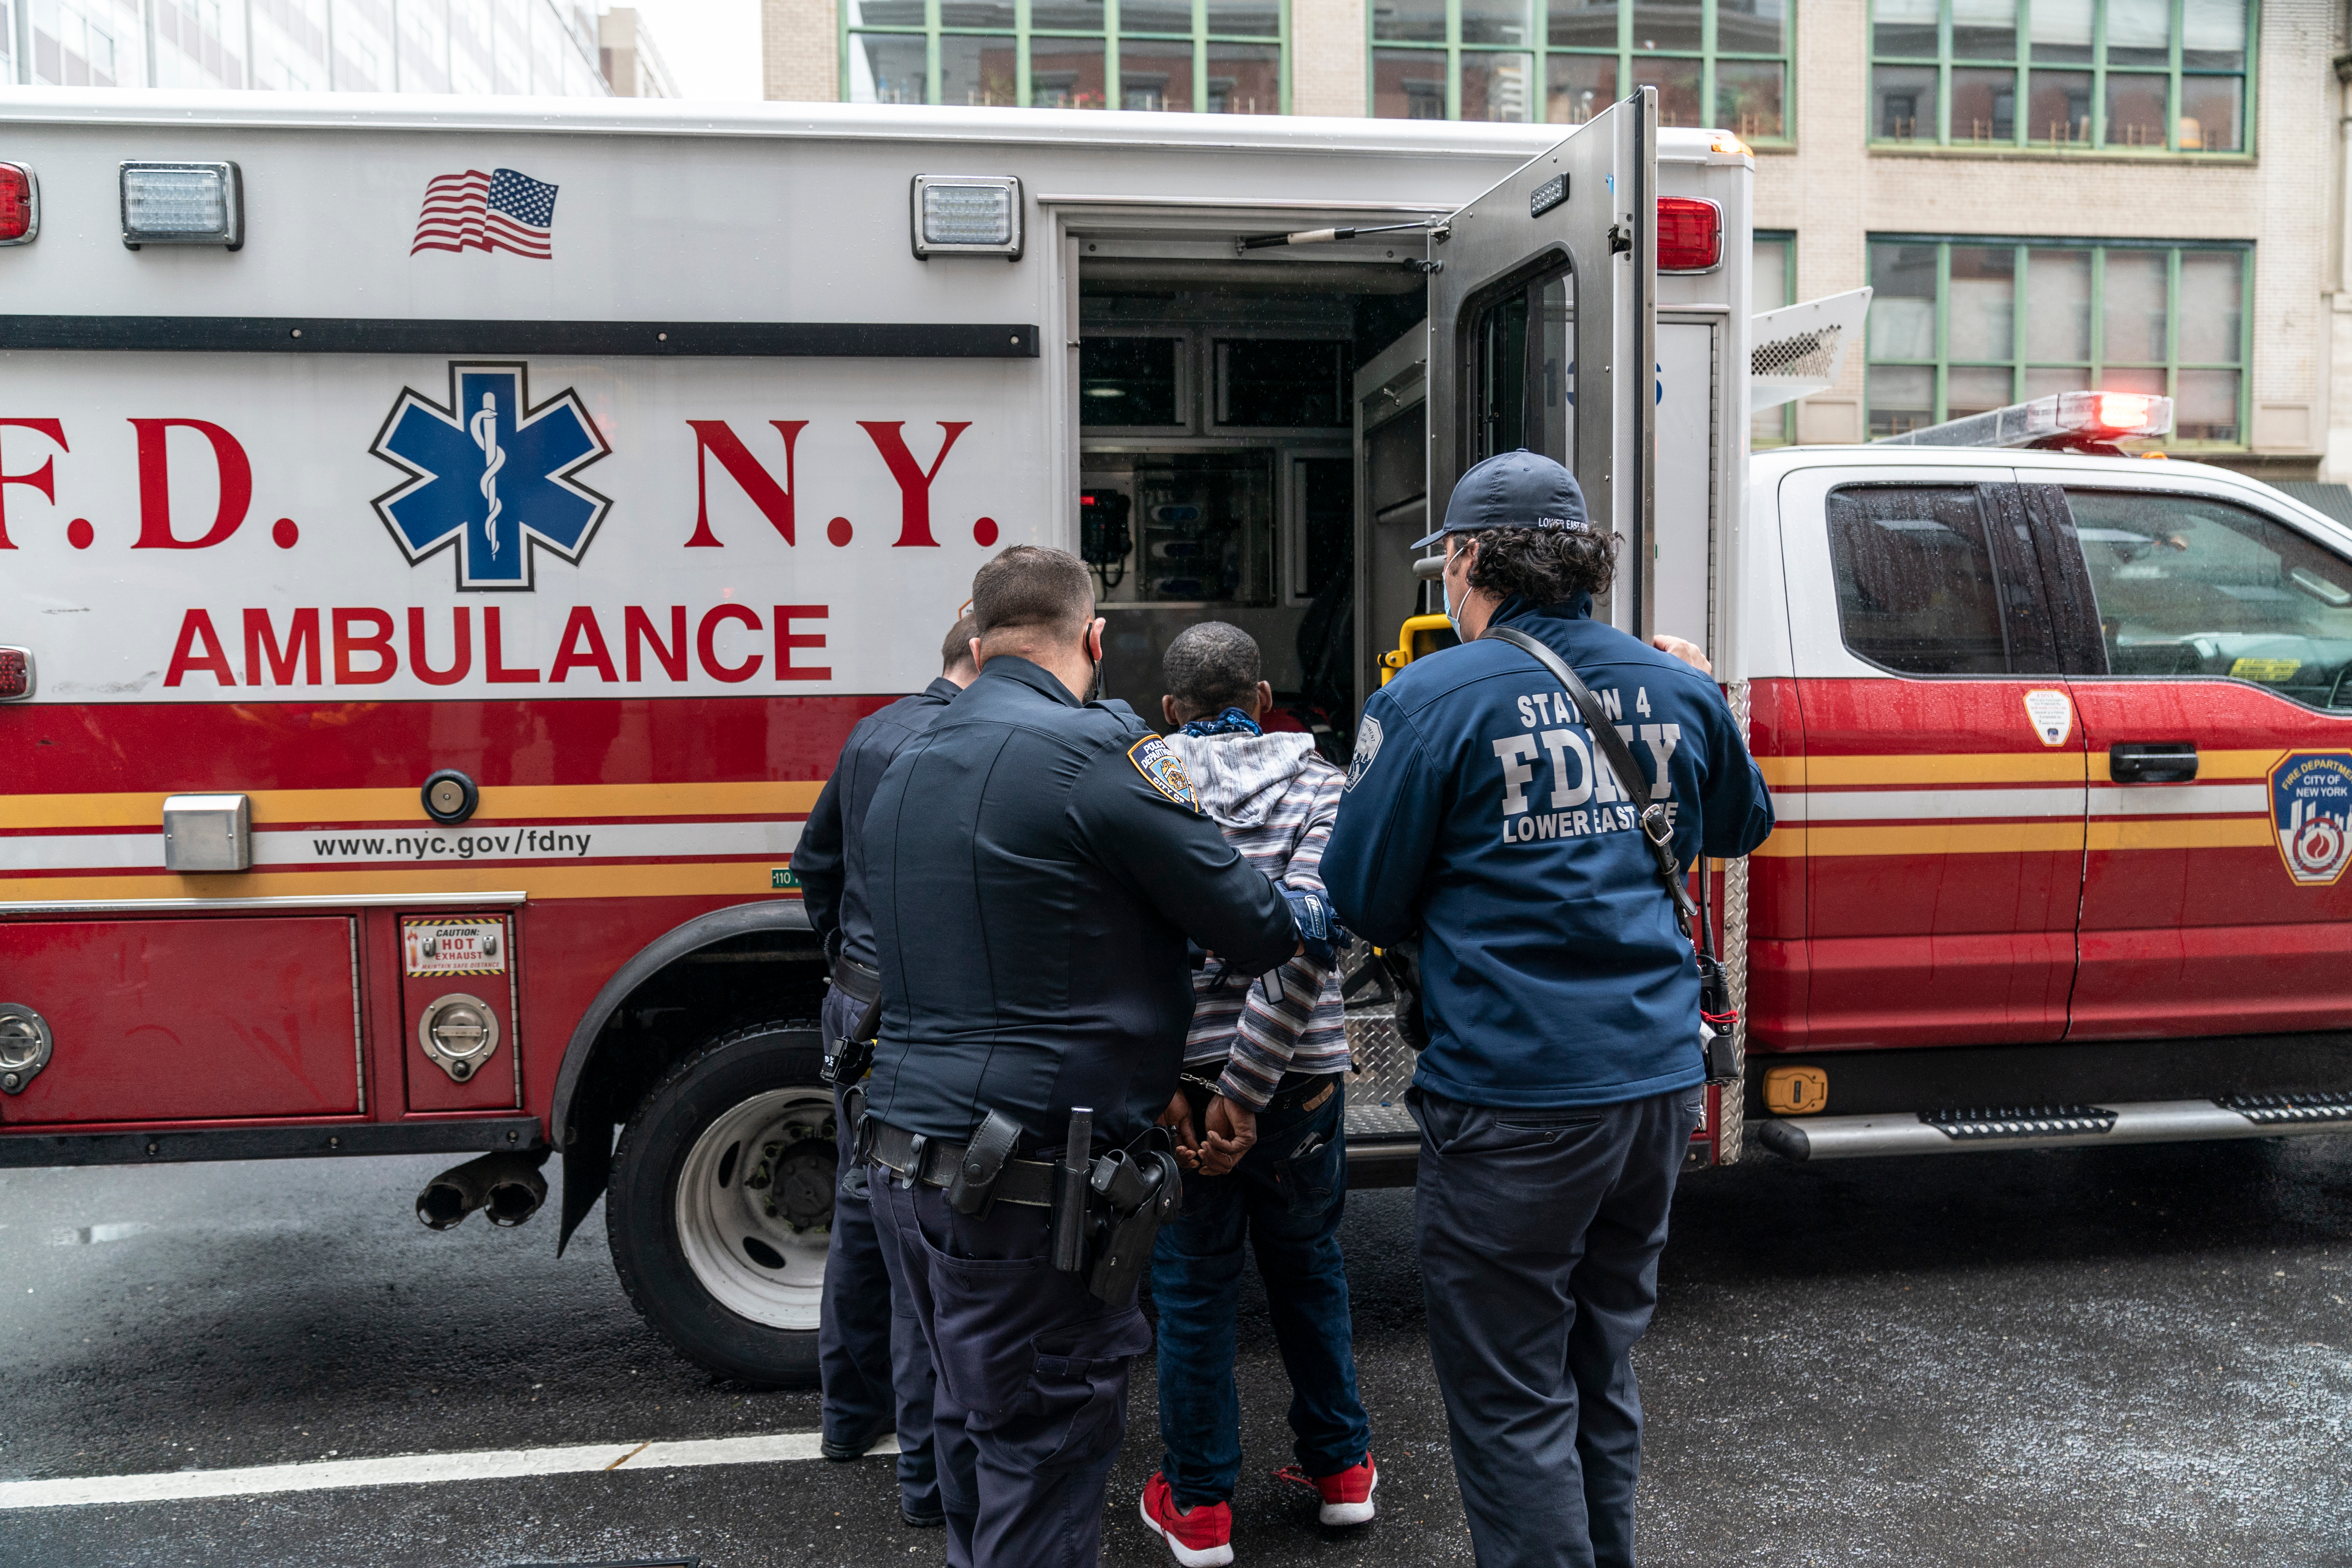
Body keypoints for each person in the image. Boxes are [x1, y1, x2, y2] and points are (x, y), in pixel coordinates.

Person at [1320, 450, 1775, 1568]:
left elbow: (1363, 893)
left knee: (1512, 1394)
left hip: (1515, 1096)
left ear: (1470, 561)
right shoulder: (1674, 685)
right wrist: (1700, 690)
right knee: (1598, 1370)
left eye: (1450, 566)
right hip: (1657, 1087)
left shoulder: (1428, 698)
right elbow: (1739, 825)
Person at [856, 545, 1324, 1568]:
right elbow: (1255, 924)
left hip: (904, 1167)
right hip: (1024, 1189)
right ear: (1097, 642)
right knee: (1042, 1457)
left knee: (976, 1439)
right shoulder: (1095, 760)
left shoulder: (899, 764)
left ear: (975, 646)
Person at [1135, 622, 1376, 1568]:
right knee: (1309, 1266)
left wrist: (1193, 1091)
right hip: (1301, 1078)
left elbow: (1128, 957)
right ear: (1267, 694)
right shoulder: (1324, 786)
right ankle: (1341, 1471)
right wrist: (1252, 1088)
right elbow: (1308, 946)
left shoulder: (1141, 786)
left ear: (1170, 707)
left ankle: (1198, 1506)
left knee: (1193, 1288)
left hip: (1178, 1092)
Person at [789, 612, 978, 1529]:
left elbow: (814, 862)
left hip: (855, 999)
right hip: (925, 1013)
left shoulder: (873, 730)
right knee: (922, 1248)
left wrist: (845, 959)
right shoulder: (972, 741)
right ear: (987, 655)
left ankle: (844, 1416)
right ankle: (926, 1480)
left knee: (864, 1208)